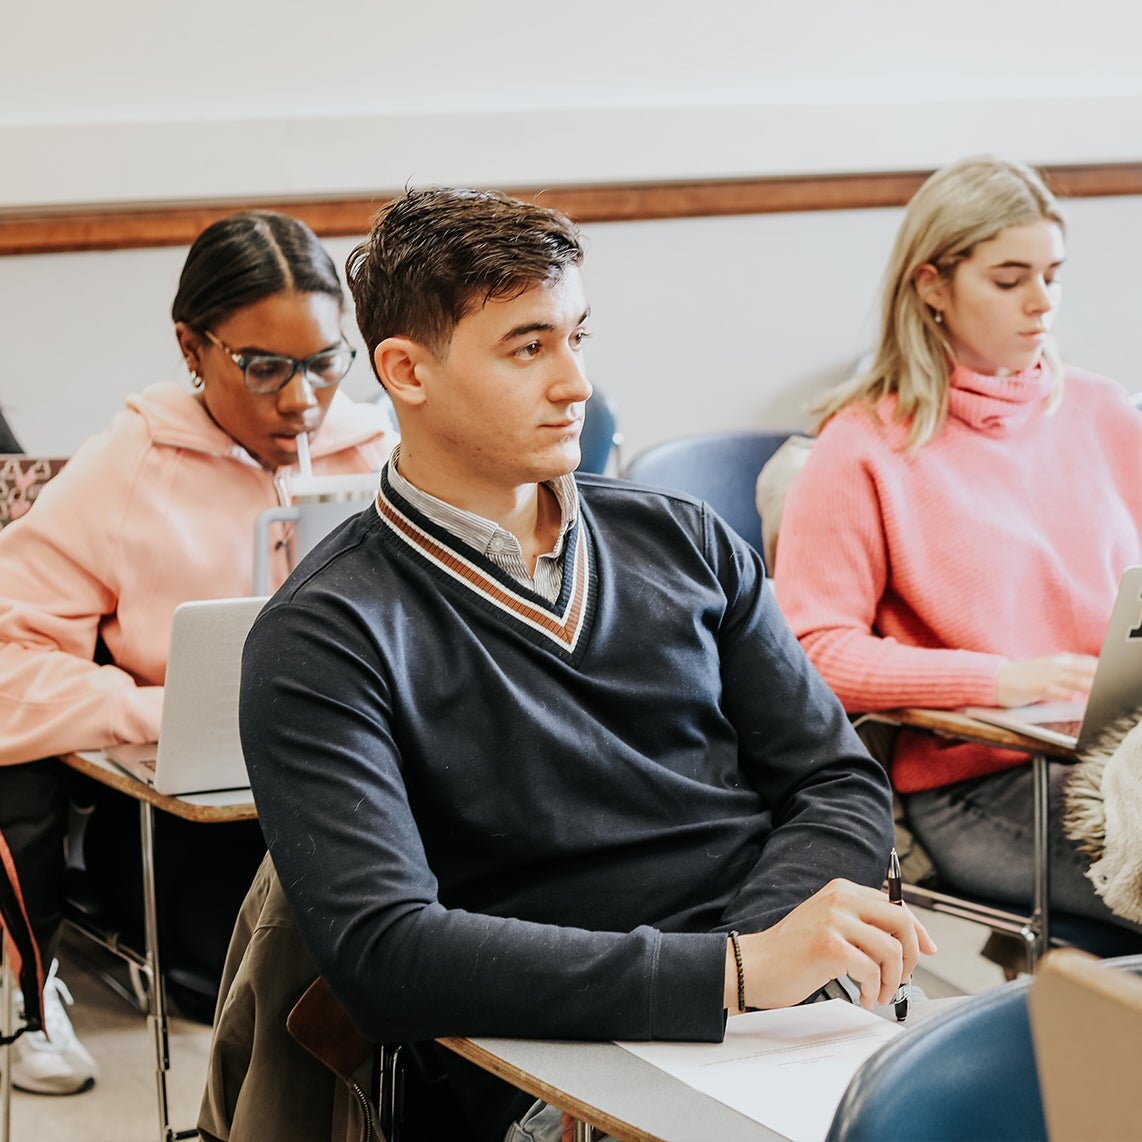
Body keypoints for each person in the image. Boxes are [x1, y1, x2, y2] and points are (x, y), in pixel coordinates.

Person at [237, 186, 933, 1142]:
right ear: (406, 370)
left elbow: (835, 779)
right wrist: (726, 975)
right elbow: (386, 953)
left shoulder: (684, 537)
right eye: (529, 347)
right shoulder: (323, 634)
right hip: (549, 1063)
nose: (577, 385)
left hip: (782, 1020)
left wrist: (766, 964)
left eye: (578, 337)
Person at [0, 210, 394, 1095]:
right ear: (192, 346)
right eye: (263, 368)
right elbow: (8, 655)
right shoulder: (128, 469)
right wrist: (162, 712)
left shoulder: (384, 448)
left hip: (376, 797)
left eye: (327, 362)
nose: (302, 400)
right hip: (203, 832)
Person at [774, 155, 1142, 935]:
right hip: (986, 784)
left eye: (1053, 275)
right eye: (1010, 280)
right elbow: (812, 648)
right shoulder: (862, 447)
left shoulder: (1105, 411)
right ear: (933, 284)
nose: (1042, 303)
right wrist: (1000, 678)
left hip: (1122, 754)